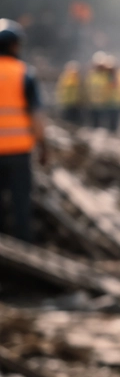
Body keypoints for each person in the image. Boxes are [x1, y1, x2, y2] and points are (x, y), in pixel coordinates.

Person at [0, 19, 47, 241]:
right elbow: (36, 117)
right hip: (19, 152)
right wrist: (43, 146)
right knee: (21, 205)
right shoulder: (24, 73)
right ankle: (25, 251)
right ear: (14, 45)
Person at [55, 61, 84, 125]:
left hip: (74, 103)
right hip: (67, 103)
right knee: (68, 120)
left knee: (73, 120)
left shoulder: (75, 79)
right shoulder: (67, 78)